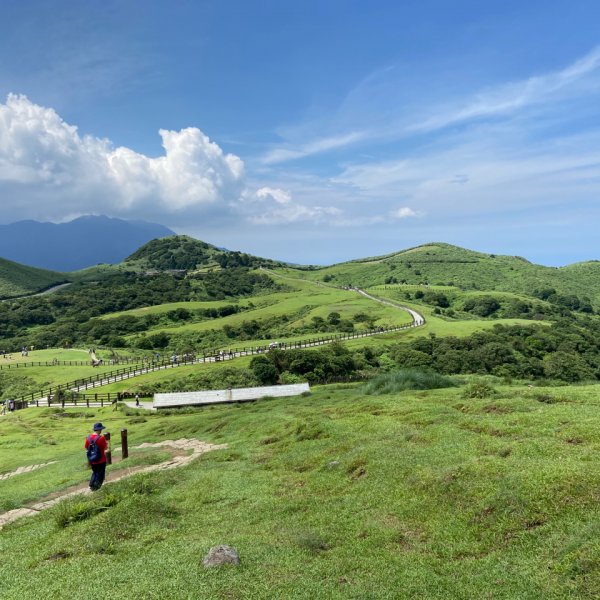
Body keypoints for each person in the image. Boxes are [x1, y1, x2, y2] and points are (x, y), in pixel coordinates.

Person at [84, 422, 108, 491]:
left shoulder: (88, 438)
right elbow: (105, 448)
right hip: (101, 460)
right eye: (101, 429)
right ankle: (96, 489)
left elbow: (86, 448)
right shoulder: (101, 438)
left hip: (92, 460)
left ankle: (91, 485)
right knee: (100, 475)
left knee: (95, 472)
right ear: (99, 429)